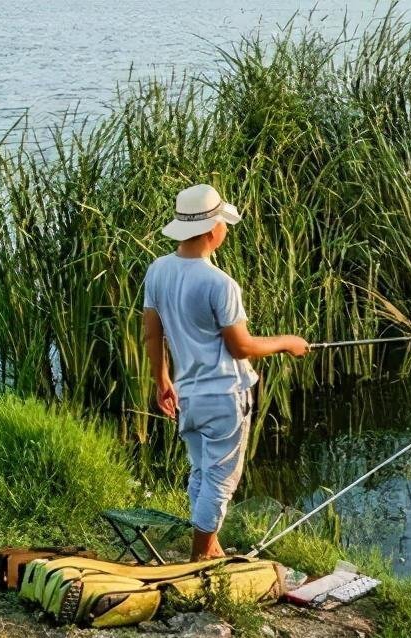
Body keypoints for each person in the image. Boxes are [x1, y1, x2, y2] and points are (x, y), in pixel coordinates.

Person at [142, 183, 308, 561]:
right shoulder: (220, 284)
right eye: (223, 223)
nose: (226, 229)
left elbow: (152, 332)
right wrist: (288, 342)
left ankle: (209, 544)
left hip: (188, 393)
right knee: (221, 479)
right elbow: (242, 347)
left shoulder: (158, 271)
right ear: (211, 231)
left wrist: (161, 380)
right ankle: (199, 558)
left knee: (201, 470)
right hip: (225, 397)